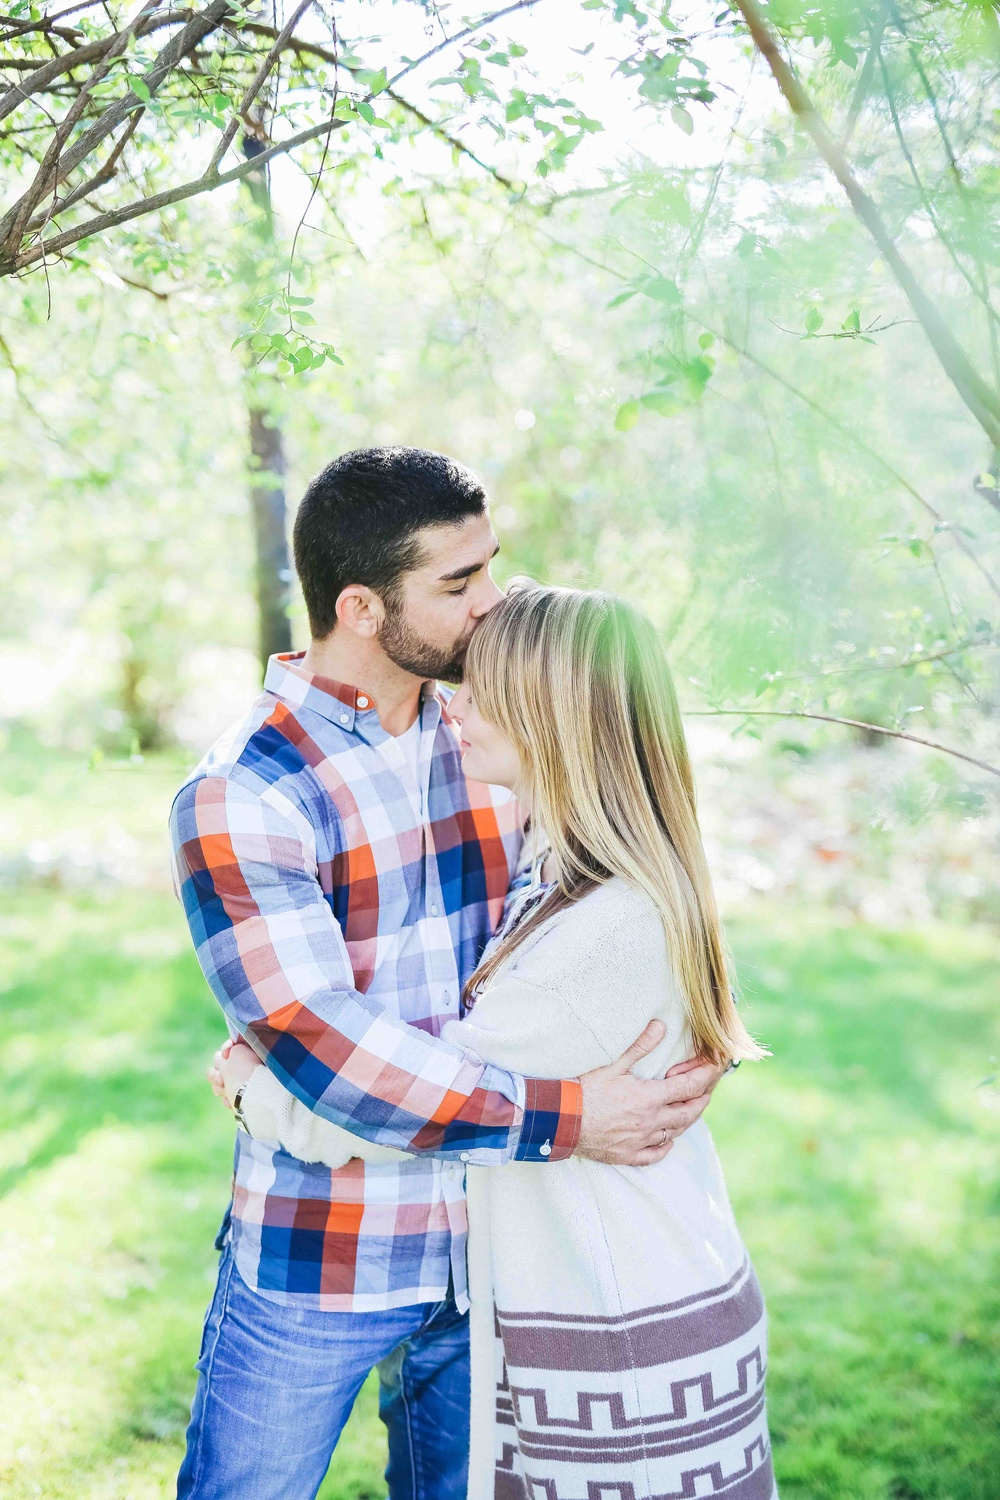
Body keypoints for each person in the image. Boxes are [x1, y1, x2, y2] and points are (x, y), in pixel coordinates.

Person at [171, 447, 727, 1500]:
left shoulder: (499, 736)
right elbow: (327, 1054)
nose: (493, 606)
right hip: (323, 1251)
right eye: (458, 585)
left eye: (493, 570)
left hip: (495, 1253)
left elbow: (608, 922)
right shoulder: (243, 794)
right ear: (363, 608)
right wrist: (572, 1116)